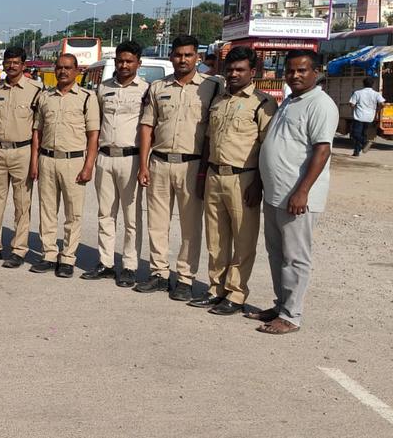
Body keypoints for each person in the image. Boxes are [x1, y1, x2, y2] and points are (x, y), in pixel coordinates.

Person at [251, 50, 337, 334]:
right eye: (290, 71)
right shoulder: (291, 100)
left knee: (295, 256)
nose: (295, 75)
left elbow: (322, 150)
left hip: (297, 197)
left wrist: (302, 192)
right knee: (276, 252)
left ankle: (291, 315)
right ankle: (281, 305)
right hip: (276, 193)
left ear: (316, 72)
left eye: (302, 71)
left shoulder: (320, 104)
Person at [190, 46, 276, 315]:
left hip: (244, 179)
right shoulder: (219, 101)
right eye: (231, 69)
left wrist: (258, 184)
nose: (234, 74)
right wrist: (203, 175)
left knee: (243, 239)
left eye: (240, 70)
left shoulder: (263, 104)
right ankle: (216, 288)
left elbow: (266, 148)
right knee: (215, 238)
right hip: (215, 176)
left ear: (253, 72)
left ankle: (237, 293)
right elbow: (208, 142)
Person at [134, 35, 219, 301]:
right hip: (159, 163)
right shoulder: (158, 87)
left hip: (191, 165)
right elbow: (147, 126)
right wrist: (144, 164)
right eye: (178, 54)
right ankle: (159, 273)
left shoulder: (212, 87)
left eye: (188, 55)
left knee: (190, 226)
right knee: (157, 223)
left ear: (198, 57)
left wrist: (206, 171)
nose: (183, 59)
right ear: (171, 57)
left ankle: (185, 278)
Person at [28, 54, 99, 278]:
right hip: (47, 159)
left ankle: (68, 257)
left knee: (73, 213)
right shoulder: (45, 96)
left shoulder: (87, 98)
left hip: (74, 161)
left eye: (68, 68)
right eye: (59, 68)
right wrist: (34, 161)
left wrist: (88, 165)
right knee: (47, 211)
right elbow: (37, 132)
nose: (63, 72)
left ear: (77, 71)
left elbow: (93, 136)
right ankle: (49, 254)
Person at [85, 41, 148, 287]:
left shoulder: (146, 90)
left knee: (131, 218)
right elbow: (96, 123)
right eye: (120, 61)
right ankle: (106, 263)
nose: (124, 65)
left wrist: (145, 164)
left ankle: (130, 266)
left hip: (131, 159)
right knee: (105, 214)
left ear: (138, 63)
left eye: (129, 61)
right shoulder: (103, 89)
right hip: (105, 158)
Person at [0, 46, 42, 267]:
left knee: (22, 203)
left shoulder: (36, 90)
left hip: (23, 152)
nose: (11, 65)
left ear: (23, 65)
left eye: (16, 62)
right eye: (8, 62)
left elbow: (38, 127)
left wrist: (35, 158)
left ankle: (19, 249)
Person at [348, 77, 385, 156]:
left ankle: (365, 143)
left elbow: (352, 104)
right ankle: (356, 152)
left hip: (359, 116)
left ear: (363, 84)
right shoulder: (376, 94)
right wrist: (377, 110)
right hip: (369, 117)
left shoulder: (357, 93)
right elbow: (382, 104)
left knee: (355, 134)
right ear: (372, 85)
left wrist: (354, 106)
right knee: (363, 134)